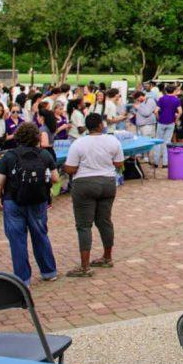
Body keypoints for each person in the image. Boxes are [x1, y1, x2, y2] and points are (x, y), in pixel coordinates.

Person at [0, 122, 59, 284]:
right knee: (40, 235)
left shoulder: (9, 156)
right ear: (36, 137)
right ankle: (49, 271)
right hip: (38, 200)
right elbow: (56, 178)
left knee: (17, 240)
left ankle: (23, 279)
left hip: (13, 201)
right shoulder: (44, 155)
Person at [63, 114, 124, 277]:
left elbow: (70, 168)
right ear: (100, 125)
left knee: (84, 225)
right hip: (107, 183)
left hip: (84, 184)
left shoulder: (79, 143)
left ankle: (84, 266)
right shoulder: (113, 141)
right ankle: (107, 257)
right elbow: (119, 164)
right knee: (105, 221)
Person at [154, 83, 181, 167]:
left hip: (161, 122)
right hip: (171, 122)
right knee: (167, 142)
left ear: (166, 90)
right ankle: (165, 163)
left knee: (158, 141)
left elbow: (156, 111)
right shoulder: (176, 100)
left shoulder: (162, 98)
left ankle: (156, 162)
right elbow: (180, 112)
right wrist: (176, 119)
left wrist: (158, 118)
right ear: (174, 91)